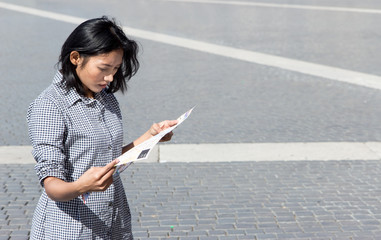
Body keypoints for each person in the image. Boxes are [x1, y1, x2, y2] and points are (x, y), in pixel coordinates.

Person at [27, 16, 177, 239]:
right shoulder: (49, 105)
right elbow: (51, 185)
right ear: (76, 58)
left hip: (114, 221)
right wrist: (80, 186)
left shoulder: (106, 98)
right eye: (104, 68)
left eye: (116, 68)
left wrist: (151, 136)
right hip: (71, 228)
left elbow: (112, 160)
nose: (110, 77)